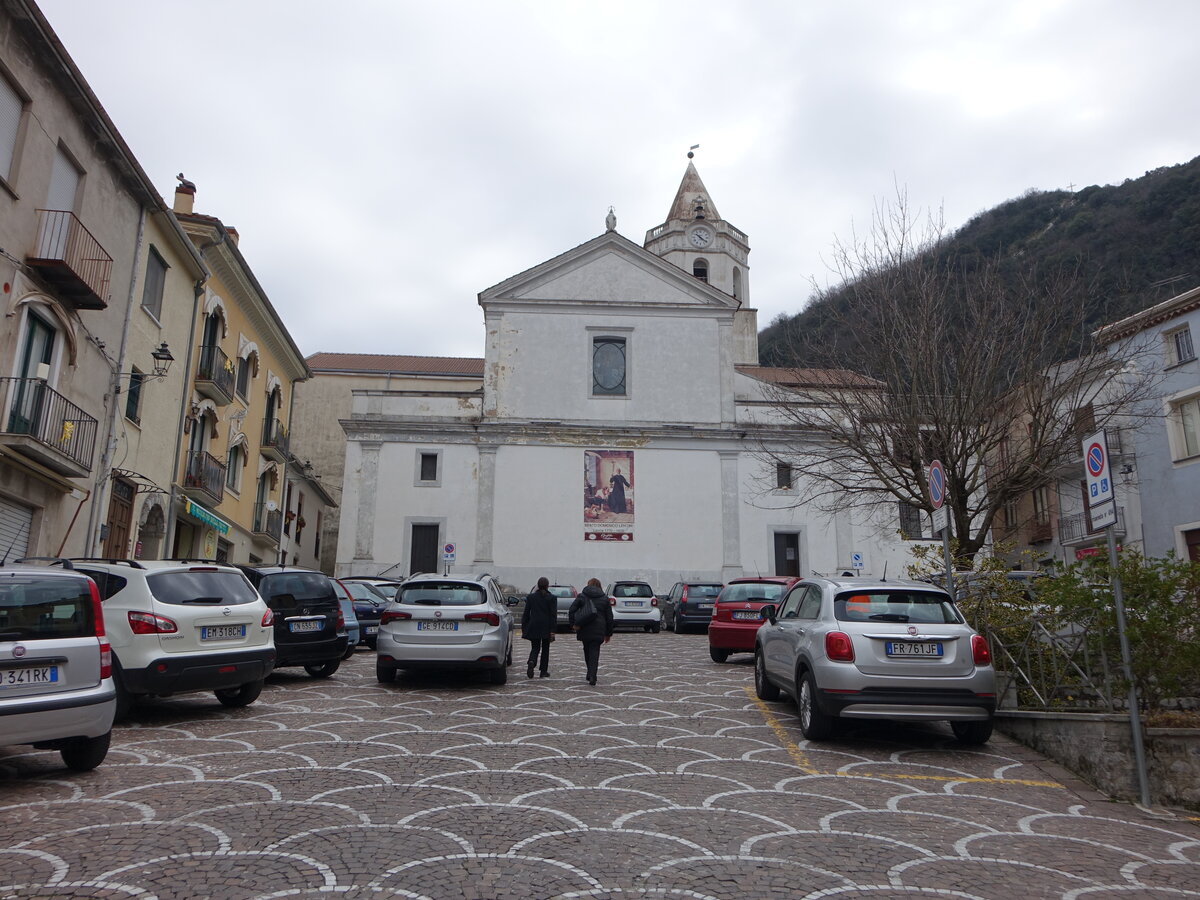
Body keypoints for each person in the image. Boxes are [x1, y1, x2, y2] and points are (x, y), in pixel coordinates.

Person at [569, 577, 613, 685]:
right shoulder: (604, 598)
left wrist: (574, 624)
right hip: (599, 629)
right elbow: (609, 617)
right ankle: (592, 674)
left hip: (584, 627)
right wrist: (608, 633)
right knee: (595, 651)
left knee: (587, 650)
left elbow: (572, 610)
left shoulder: (582, 596)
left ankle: (590, 671)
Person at [522, 576, 556, 678]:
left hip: (534, 625)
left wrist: (524, 626)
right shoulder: (552, 598)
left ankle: (532, 661)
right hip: (546, 625)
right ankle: (543, 671)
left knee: (535, 647)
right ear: (547, 586)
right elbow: (553, 615)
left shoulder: (531, 597)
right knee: (546, 648)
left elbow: (526, 613)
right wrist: (553, 630)